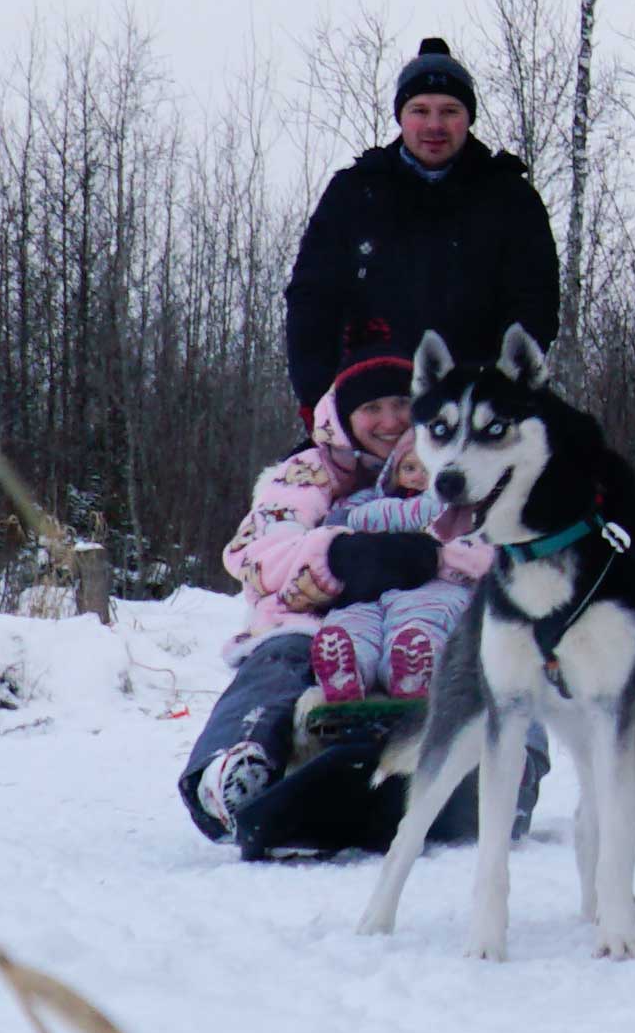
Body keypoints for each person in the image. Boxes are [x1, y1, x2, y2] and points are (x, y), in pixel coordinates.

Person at [178, 352, 475, 843]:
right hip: (323, 616)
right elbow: (255, 554)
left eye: (402, 404)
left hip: (432, 612)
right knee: (280, 658)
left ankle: (502, 777)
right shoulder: (307, 474)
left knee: (492, 653)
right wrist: (343, 557)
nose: (388, 420)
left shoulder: (460, 465)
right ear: (344, 418)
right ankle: (234, 771)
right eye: (371, 408)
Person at [281, 40, 564, 411]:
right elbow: (312, 303)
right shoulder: (354, 194)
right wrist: (318, 401)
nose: (434, 125)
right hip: (371, 410)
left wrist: (503, 391)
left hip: (476, 411)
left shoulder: (510, 198)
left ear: (469, 117)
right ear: (401, 116)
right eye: (420, 110)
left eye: (449, 110)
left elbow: (534, 306)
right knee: (294, 472)